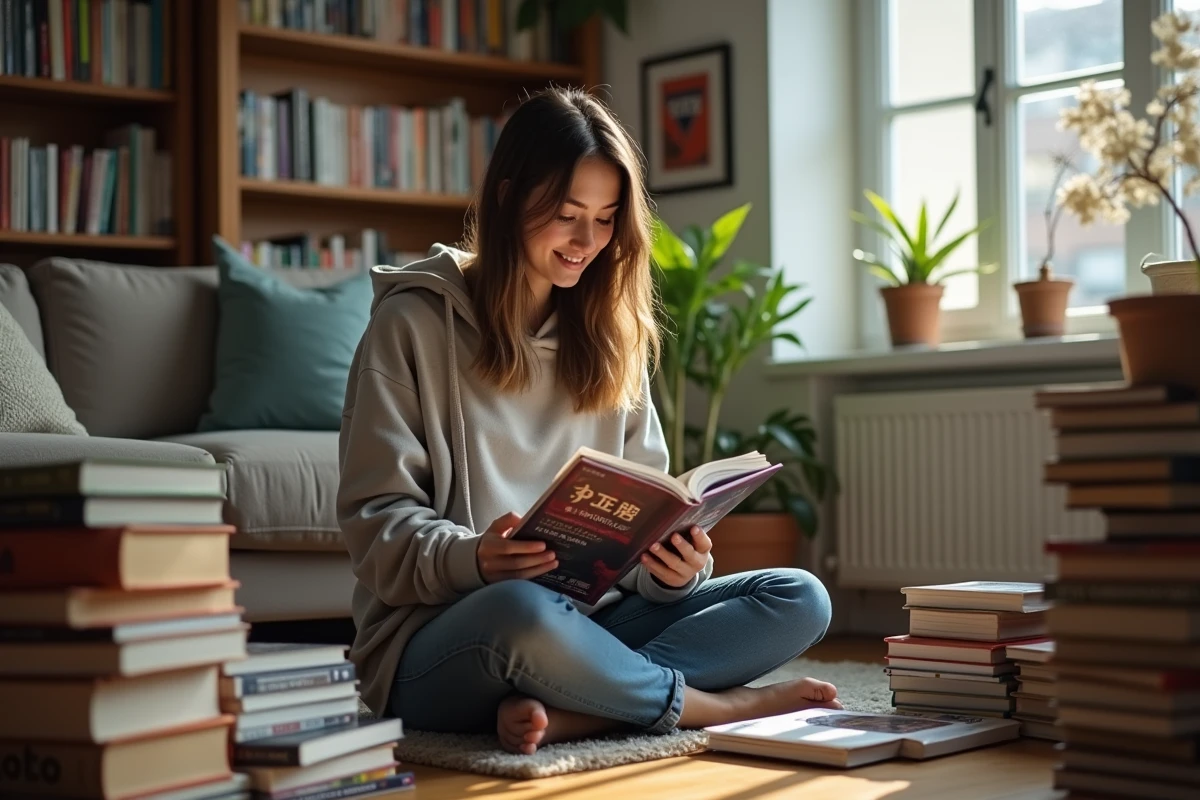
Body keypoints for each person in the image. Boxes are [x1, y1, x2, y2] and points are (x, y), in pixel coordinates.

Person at [337, 87, 838, 756]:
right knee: (523, 610)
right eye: (568, 216)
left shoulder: (610, 336)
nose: (586, 242)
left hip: (588, 627)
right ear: (510, 198)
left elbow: (645, 520)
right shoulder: (411, 326)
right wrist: (476, 558)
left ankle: (580, 711)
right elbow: (376, 527)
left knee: (799, 596)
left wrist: (673, 570)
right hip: (447, 642)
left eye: (605, 220)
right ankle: (702, 707)